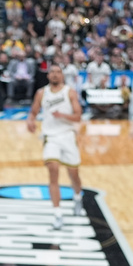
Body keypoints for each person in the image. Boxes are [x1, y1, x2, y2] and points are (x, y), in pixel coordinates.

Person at [27, 63, 85, 231]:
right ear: (47, 76)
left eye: (58, 72)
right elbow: (33, 111)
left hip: (67, 135)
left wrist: (62, 116)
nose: (54, 74)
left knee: (74, 174)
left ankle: (77, 197)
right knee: (53, 170)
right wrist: (30, 120)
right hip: (50, 137)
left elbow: (78, 116)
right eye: (51, 72)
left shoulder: (70, 92)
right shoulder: (41, 93)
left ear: (62, 75)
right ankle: (58, 214)